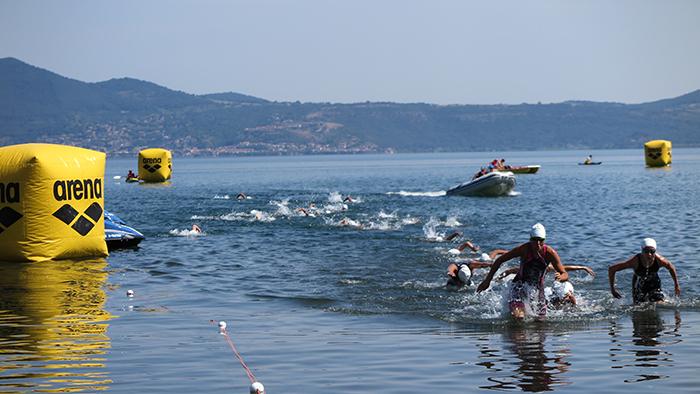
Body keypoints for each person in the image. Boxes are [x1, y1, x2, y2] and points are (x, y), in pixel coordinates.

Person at [476, 223, 568, 319]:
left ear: (544, 240)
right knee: (519, 317)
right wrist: (487, 280)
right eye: (534, 240)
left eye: (540, 241)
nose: (537, 244)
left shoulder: (550, 253)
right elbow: (500, 260)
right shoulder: (523, 249)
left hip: (537, 290)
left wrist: (561, 277)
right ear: (530, 239)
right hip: (518, 286)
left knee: (540, 321)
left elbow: (565, 273)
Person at [608, 238, 680, 304]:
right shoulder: (634, 261)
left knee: (659, 302)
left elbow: (671, 267)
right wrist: (612, 289)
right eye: (646, 251)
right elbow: (612, 269)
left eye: (652, 251)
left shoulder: (660, 260)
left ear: (655, 251)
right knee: (638, 306)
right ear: (642, 251)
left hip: (654, 281)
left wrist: (676, 285)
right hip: (638, 282)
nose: (649, 254)